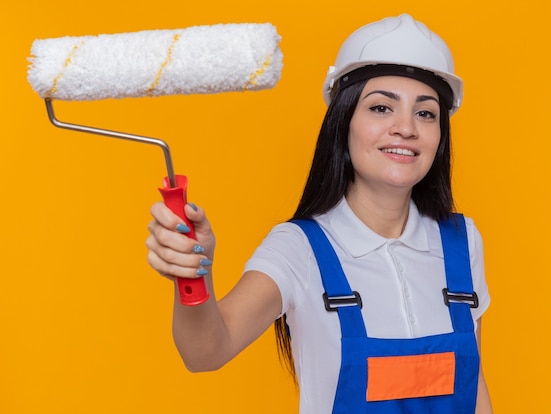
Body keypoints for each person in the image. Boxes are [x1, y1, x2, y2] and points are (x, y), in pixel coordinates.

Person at [146, 13, 493, 413]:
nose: (406, 128)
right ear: (344, 122)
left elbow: (474, 387)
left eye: (426, 112)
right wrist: (193, 274)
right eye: (381, 108)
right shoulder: (299, 249)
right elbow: (206, 353)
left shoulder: (461, 241)